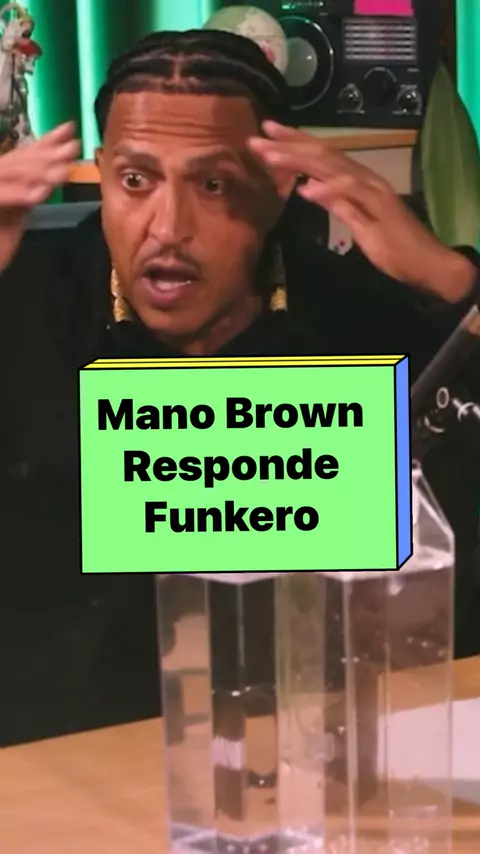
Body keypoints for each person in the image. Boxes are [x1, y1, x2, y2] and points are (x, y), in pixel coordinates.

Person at [1, 29, 479, 746]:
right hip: (68, 750)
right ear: (101, 173)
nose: (168, 228)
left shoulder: (357, 315)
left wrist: (451, 281)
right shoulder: (25, 302)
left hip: (316, 733)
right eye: (135, 181)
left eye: (213, 185)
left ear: (277, 187)